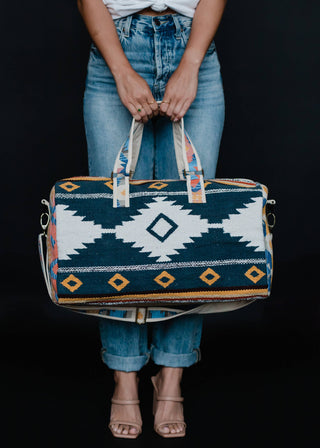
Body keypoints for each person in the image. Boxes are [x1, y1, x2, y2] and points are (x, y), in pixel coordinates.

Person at [77, 0, 227, 439]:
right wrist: (121, 70)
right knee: (115, 230)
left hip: (192, 41)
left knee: (190, 229)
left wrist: (191, 63)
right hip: (116, 48)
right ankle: (124, 377)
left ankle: (172, 377)